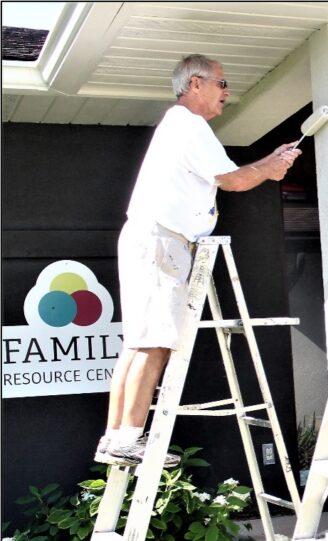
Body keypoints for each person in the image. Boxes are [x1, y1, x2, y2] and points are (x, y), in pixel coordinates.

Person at [94, 54, 301, 468]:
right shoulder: (190, 125)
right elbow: (234, 180)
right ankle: (127, 440)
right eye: (222, 83)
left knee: (138, 342)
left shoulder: (177, 126)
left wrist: (269, 163)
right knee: (154, 343)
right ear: (195, 84)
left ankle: (115, 437)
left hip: (149, 239)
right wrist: (271, 169)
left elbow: (235, 174)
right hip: (163, 243)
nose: (227, 91)